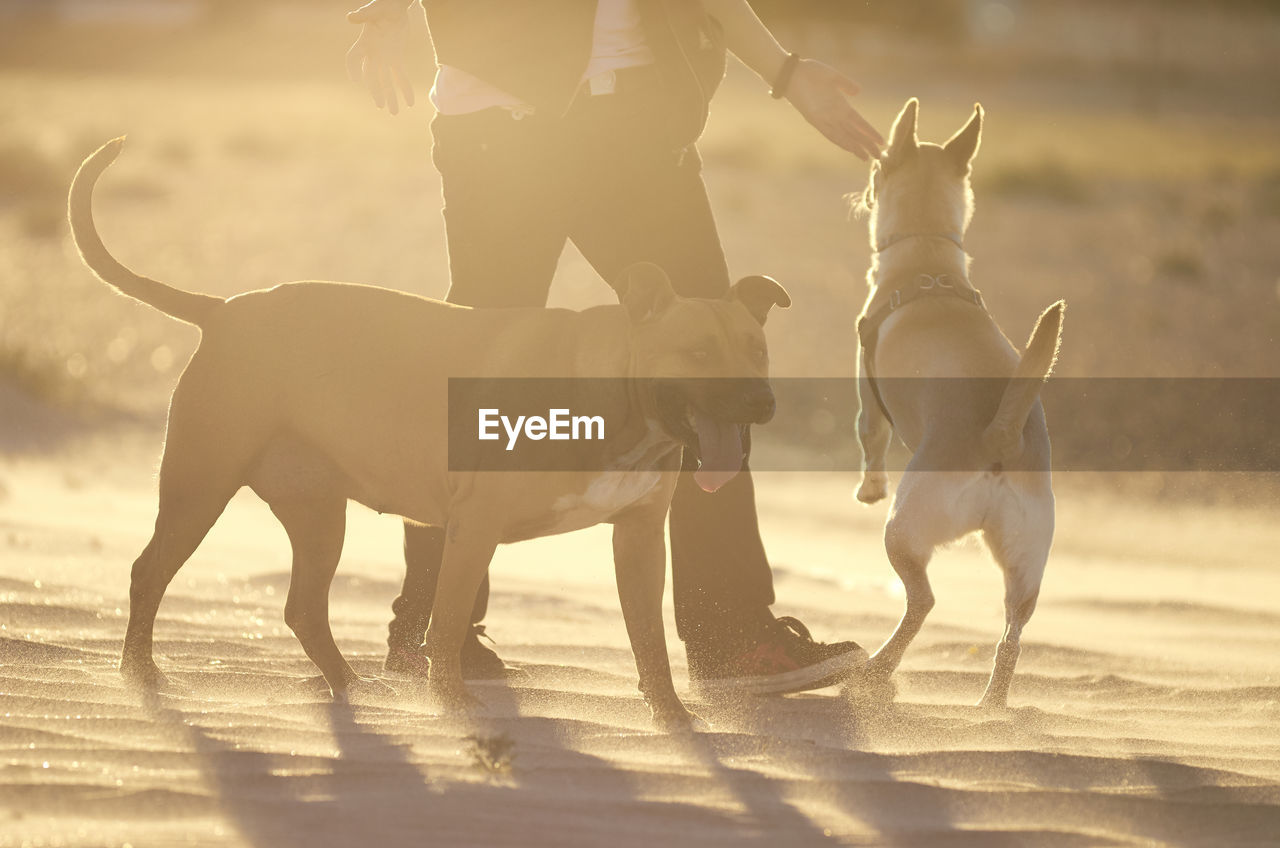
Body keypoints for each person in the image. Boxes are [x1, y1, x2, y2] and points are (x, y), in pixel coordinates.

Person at [346, 0, 884, 695]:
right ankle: (427, 631)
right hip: (500, 132)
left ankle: (730, 637)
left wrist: (784, 70)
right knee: (484, 381)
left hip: (634, 126)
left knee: (713, 360)